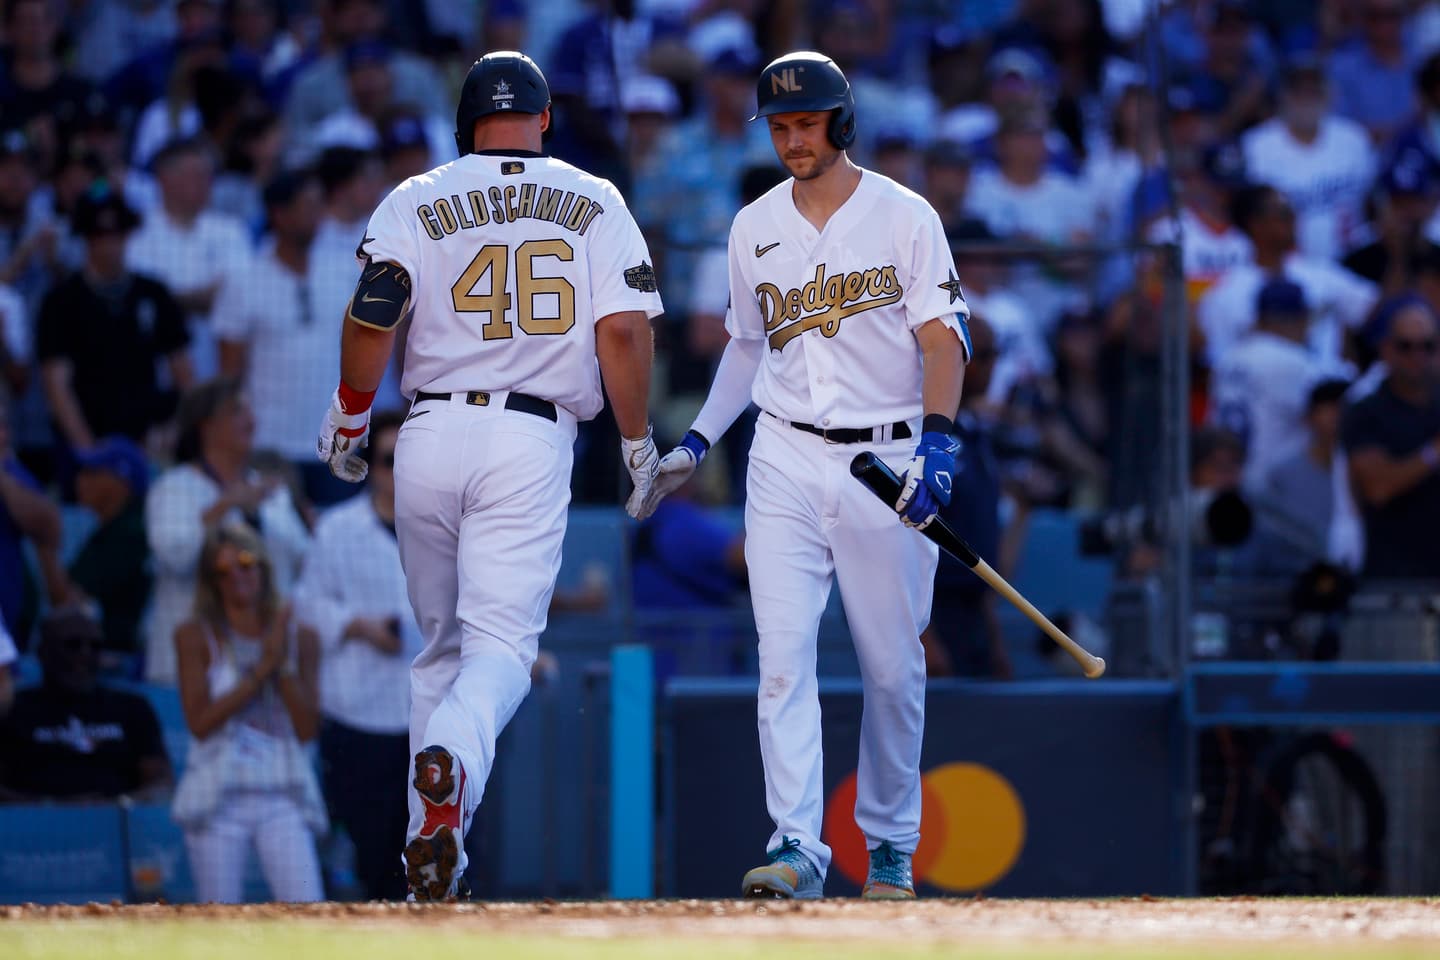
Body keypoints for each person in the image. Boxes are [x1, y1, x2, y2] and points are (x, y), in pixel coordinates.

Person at [314, 51, 662, 901]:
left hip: (427, 433)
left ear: (464, 125)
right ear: (545, 121)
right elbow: (621, 333)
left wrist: (353, 413)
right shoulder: (596, 198)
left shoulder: (418, 196)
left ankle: (432, 865)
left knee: (438, 655)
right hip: (529, 436)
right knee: (501, 650)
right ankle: (453, 766)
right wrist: (637, 441)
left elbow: (372, 313)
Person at [638, 52, 971, 900]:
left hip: (886, 453)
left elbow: (943, 337)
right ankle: (796, 843)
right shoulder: (754, 224)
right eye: (780, 126)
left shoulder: (904, 214)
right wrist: (696, 445)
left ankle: (891, 843)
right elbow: (747, 349)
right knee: (782, 657)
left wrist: (937, 442)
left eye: (806, 123)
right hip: (784, 452)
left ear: (842, 123)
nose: (792, 139)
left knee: (892, 665)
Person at [294, 410, 418, 901]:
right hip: (357, 713)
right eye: (389, 460)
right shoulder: (336, 529)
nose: (398, 470)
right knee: (366, 861)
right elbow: (307, 604)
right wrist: (357, 625)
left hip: (425, 716)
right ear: (371, 465)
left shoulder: (445, 528)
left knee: (424, 859)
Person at [171, 523, 325, 903]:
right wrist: (260, 671)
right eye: (222, 572)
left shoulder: (299, 635)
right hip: (218, 799)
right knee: (219, 920)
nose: (236, 576)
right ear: (211, 581)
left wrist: (282, 664)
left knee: (309, 910)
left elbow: (307, 729)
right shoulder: (193, 636)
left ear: (264, 567)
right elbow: (199, 723)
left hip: (282, 794)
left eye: (244, 562)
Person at [145, 378, 310, 686]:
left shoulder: (271, 493)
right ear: (206, 425)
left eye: (250, 410)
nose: (251, 420)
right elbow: (174, 557)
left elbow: (303, 565)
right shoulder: (174, 488)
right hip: (191, 668)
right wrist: (224, 506)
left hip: (263, 665)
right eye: (237, 410)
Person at [36, 185, 193, 455]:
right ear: (85, 238)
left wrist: (175, 430)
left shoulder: (153, 292)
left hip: (149, 438)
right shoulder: (61, 301)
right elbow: (57, 385)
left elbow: (183, 372)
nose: (110, 244)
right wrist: (90, 451)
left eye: (117, 234)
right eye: (99, 235)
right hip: (89, 437)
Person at [0, 607, 171, 803]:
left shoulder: (132, 708)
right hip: (31, 826)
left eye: (95, 646)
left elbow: (162, 783)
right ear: (43, 652)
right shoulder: (12, 708)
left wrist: (116, 805)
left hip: (115, 825)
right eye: (73, 644)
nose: (85, 653)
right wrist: (51, 806)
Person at [920, 311, 1010, 679]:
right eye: (984, 355)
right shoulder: (921, 431)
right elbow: (895, 536)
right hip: (933, 610)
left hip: (973, 611)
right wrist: (923, 636)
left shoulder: (974, 434)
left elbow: (978, 548)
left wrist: (994, 635)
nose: (992, 366)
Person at [1341, 299, 1440, 581]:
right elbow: (1378, 488)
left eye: (1428, 346)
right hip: (1393, 584)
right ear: (1387, 349)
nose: (1417, 356)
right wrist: (1433, 453)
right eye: (1406, 346)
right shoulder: (1365, 410)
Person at [69, 436, 153, 662]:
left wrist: (43, 541)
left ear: (121, 483)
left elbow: (69, 597)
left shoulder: (132, 531)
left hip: (128, 661)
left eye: (92, 472)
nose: (80, 480)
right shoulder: (112, 526)